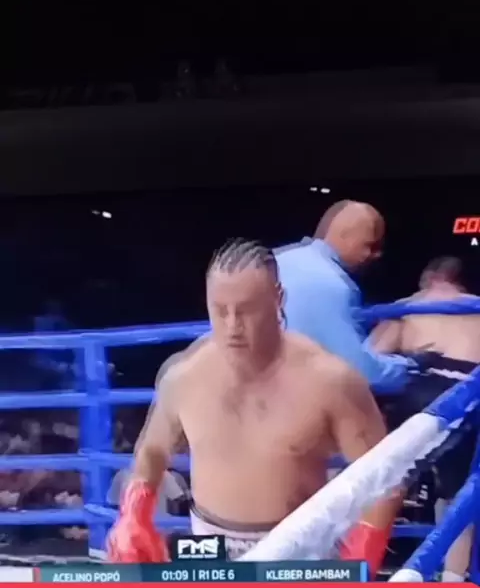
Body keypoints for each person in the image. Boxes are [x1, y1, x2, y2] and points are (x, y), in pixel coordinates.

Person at [107, 238, 402, 568]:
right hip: (208, 549)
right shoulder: (185, 375)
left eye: (247, 310)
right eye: (220, 310)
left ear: (278, 300)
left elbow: (385, 478)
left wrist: (360, 558)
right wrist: (134, 514)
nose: (232, 326)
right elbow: (152, 451)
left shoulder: (329, 381)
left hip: (296, 553)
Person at [369, 256, 480, 581]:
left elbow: (370, 358)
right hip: (470, 391)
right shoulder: (476, 306)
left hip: (421, 386)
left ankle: (362, 568)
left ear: (429, 278)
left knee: (387, 481)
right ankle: (452, 581)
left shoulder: (410, 304)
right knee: (460, 493)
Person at [275, 200, 424, 393]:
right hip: (294, 397)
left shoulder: (278, 259)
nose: (376, 255)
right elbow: (361, 374)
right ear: (344, 236)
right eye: (370, 246)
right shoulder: (333, 283)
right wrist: (408, 367)